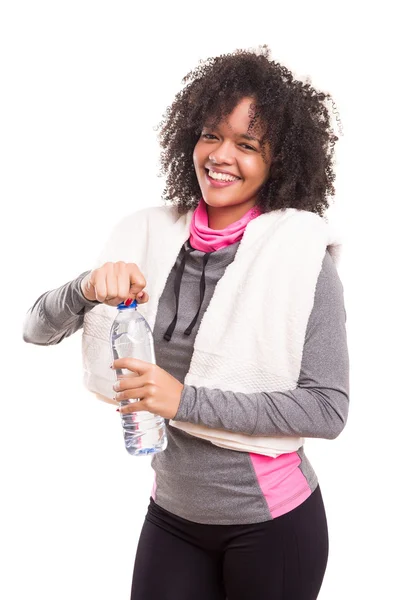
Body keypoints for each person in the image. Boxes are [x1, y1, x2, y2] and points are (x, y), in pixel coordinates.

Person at [23, 44, 349, 600]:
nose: (221, 155)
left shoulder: (300, 259)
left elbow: (328, 408)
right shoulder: (150, 236)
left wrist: (183, 400)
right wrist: (86, 285)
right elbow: (35, 329)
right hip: (172, 515)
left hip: (272, 526)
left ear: (280, 161)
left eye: (248, 144)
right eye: (210, 135)